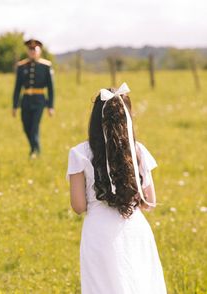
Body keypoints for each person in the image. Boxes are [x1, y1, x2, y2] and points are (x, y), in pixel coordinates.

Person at [66, 83, 167, 294]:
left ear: (95, 118)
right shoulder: (137, 150)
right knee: (139, 284)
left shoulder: (79, 153)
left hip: (99, 232)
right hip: (135, 229)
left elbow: (78, 206)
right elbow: (149, 202)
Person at [12, 39, 54, 158]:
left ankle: (35, 151)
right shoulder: (21, 66)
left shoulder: (46, 66)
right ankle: (34, 148)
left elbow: (51, 88)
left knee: (34, 126)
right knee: (26, 127)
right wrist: (15, 106)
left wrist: (50, 106)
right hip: (25, 101)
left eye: (35, 50)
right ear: (28, 51)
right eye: (30, 50)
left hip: (39, 101)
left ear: (39, 51)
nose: (32, 52)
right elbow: (17, 88)